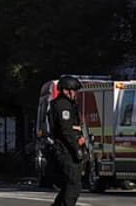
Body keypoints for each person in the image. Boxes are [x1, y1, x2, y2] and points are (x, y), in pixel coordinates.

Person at [49, 75, 86, 206]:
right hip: (66, 150)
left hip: (65, 149)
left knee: (68, 185)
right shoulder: (63, 105)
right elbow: (66, 131)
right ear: (67, 90)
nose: (76, 94)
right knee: (73, 185)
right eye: (74, 90)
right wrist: (76, 148)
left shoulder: (66, 104)